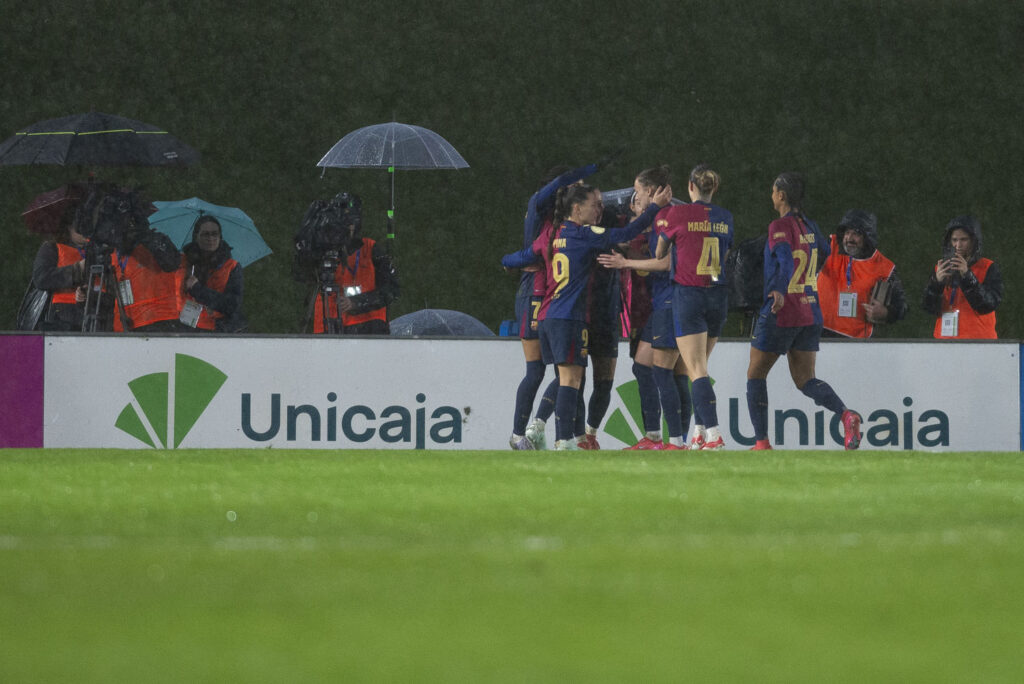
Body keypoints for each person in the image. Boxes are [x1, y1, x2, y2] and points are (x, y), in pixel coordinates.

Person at [601, 163, 733, 450]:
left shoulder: (671, 216)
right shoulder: (715, 217)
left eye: (637, 191)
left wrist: (626, 262)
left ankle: (676, 439)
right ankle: (677, 435)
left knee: (668, 371)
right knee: (657, 368)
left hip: (677, 299)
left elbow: (665, 260)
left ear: (650, 191)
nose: (633, 197)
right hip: (702, 295)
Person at [542, 181, 672, 450]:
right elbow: (626, 231)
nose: (600, 208)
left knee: (590, 381)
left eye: (602, 203)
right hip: (574, 316)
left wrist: (511, 261)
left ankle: (578, 435)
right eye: (594, 204)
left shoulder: (557, 233)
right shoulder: (587, 233)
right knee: (572, 380)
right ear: (577, 208)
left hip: (585, 315)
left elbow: (532, 251)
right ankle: (565, 438)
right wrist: (655, 208)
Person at [746, 172, 862, 451]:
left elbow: (785, 261)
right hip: (811, 312)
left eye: (774, 191)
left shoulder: (778, 226)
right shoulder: (810, 226)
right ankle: (846, 414)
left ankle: (761, 442)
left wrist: (779, 290)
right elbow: (823, 250)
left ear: (782, 196)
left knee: (755, 375)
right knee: (805, 380)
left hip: (783, 311)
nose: (772, 195)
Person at [505, 163, 597, 450]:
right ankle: (521, 434)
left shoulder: (564, 222)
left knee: (568, 373)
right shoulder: (539, 211)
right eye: (575, 187)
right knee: (538, 371)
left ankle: (563, 436)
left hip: (553, 298)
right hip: (536, 293)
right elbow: (529, 252)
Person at [298, 193, 400, 335]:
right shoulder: (323, 250)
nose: (345, 229)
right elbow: (301, 275)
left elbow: (392, 289)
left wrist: (357, 303)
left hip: (369, 328)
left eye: (349, 223)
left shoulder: (370, 248)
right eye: (341, 223)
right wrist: (307, 239)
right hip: (327, 326)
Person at [818, 209, 908, 338]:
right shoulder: (830, 246)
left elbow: (902, 306)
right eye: (847, 232)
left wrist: (886, 313)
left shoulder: (885, 268)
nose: (849, 238)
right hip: (818, 333)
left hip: (856, 343)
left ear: (867, 237)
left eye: (856, 234)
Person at [922, 215, 1001, 339]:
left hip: (979, 341)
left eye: (964, 239)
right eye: (954, 240)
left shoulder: (988, 267)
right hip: (945, 341)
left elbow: (987, 305)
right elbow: (929, 308)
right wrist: (936, 283)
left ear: (974, 241)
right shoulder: (940, 267)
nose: (958, 245)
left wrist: (967, 275)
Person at [180, 217, 246, 333]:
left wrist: (198, 289)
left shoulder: (232, 267)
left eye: (215, 234)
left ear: (220, 237)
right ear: (197, 236)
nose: (210, 238)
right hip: (188, 328)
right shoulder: (183, 263)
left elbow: (231, 305)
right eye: (205, 234)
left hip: (221, 331)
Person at [30, 218, 89, 330]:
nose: (86, 231)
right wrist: (76, 270)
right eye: (80, 226)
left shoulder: (100, 250)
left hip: (93, 318)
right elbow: (41, 278)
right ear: (69, 227)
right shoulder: (52, 247)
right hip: (61, 322)